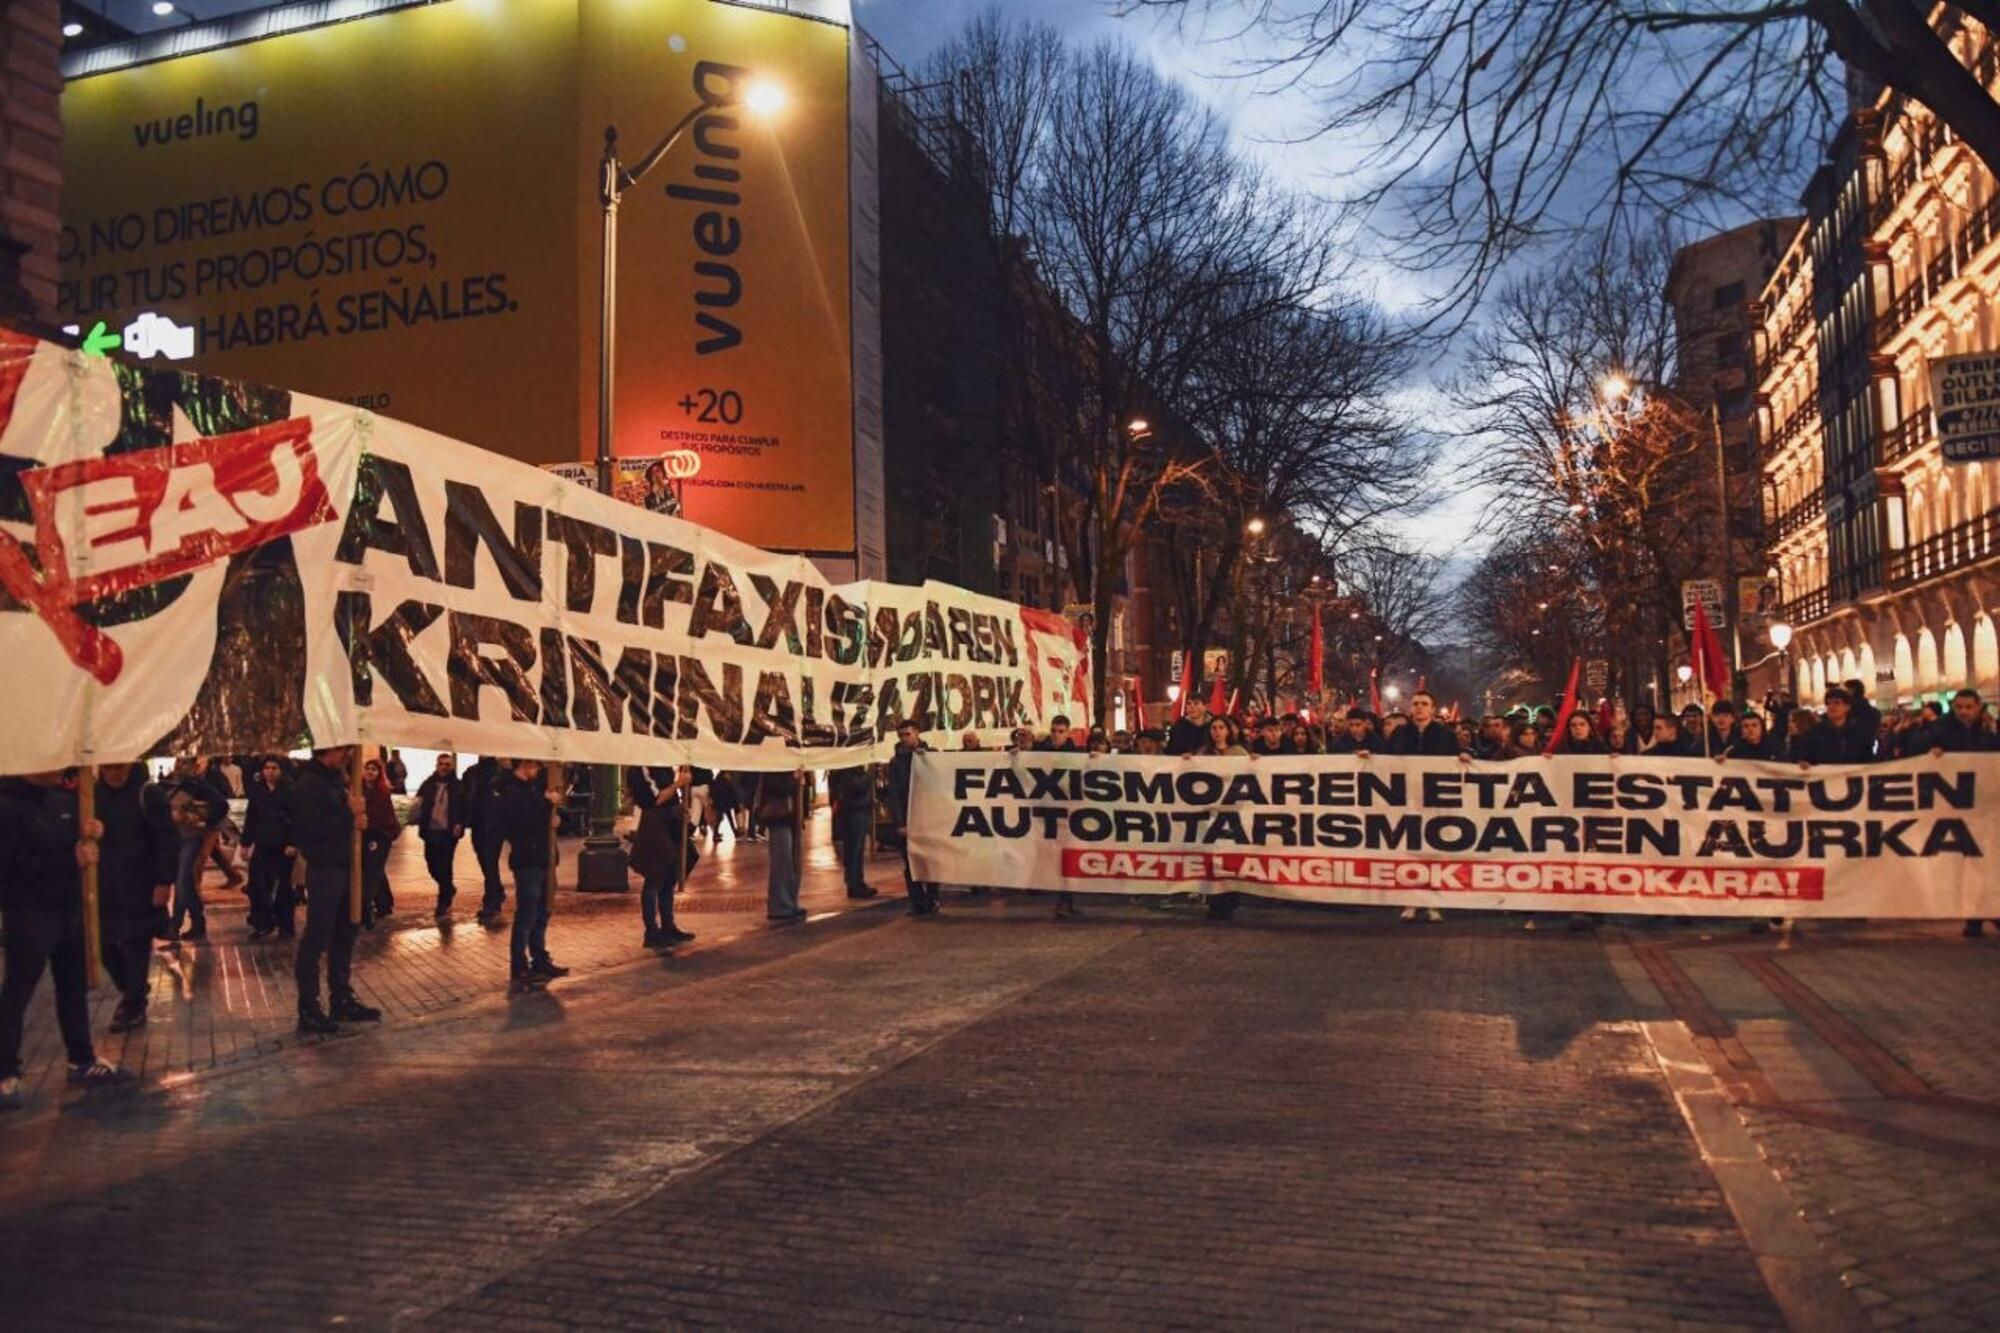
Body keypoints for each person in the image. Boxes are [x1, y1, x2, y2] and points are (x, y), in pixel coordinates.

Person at [0, 770, 131, 1110]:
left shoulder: (63, 800)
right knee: (17, 993)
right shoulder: (8, 806)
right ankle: (4, 1071)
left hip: (69, 912)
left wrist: (93, 835)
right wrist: (68, 859)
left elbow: (81, 845)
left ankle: (81, 1059)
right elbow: (11, 867)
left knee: (72, 988)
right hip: (30, 915)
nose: (60, 768)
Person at [290, 747, 380, 1036]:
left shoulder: (337, 780)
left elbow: (347, 821)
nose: (348, 755)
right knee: (317, 937)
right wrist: (348, 814)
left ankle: (341, 996)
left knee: (346, 932)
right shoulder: (308, 784)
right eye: (343, 750)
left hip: (347, 867)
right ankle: (309, 1008)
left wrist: (358, 821)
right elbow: (310, 831)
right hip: (326, 868)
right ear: (329, 750)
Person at [93, 763, 176, 1032]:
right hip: (106, 886)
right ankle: (132, 989)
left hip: (140, 884)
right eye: (108, 769)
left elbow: (166, 839)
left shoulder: (148, 794)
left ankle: (133, 1002)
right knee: (102, 943)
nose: (115, 775)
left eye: (120, 768)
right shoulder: (92, 795)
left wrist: (164, 881)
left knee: (134, 945)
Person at [1927, 690, 2000, 938]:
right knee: (1969, 866)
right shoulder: (1941, 733)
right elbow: (1915, 750)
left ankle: (1987, 910)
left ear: (1978, 707)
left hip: (1986, 809)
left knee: (1987, 865)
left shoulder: (1989, 738)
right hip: (1957, 810)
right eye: (1959, 707)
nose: (1963, 712)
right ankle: (1976, 915)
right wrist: (1933, 752)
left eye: (1968, 707)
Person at [1384, 691, 1461, 924]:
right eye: (1415, 704)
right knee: (1409, 850)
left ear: (1432, 709)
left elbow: (1456, 758)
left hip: (1434, 800)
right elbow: (1385, 758)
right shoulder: (1400, 734)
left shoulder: (1445, 734)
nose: (1419, 708)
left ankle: (1433, 903)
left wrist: (1464, 758)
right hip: (1406, 799)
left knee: (1434, 851)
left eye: (1424, 704)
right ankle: (1411, 901)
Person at [495, 757, 566, 991]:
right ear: (525, 765)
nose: (538, 771)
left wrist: (552, 813)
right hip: (528, 859)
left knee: (542, 910)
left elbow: (544, 817)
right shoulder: (511, 792)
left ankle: (540, 959)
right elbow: (525, 822)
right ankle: (519, 966)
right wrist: (546, 805)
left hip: (542, 856)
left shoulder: (532, 788)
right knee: (527, 913)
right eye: (535, 766)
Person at [628, 767, 698, 950]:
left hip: (669, 823)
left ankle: (668, 925)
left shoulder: (662, 765)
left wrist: (681, 810)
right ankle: (651, 931)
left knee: (669, 877)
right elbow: (655, 799)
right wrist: (678, 784)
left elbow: (670, 797)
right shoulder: (639, 769)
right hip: (654, 825)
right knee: (654, 878)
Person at [165, 757, 230, 943]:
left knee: (182, 879)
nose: (181, 766)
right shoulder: (169, 783)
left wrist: (201, 819)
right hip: (175, 838)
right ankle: (197, 921)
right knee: (185, 881)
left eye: (186, 763)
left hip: (192, 837)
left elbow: (221, 805)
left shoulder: (199, 784)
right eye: (179, 762)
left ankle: (174, 925)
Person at [240, 756, 296, 940]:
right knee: (256, 885)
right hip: (263, 843)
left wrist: (292, 842)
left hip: (282, 846)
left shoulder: (289, 791)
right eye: (267, 768)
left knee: (283, 888)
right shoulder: (258, 791)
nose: (270, 772)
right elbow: (252, 817)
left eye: (274, 768)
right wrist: (245, 844)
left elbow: (298, 819)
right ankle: (262, 922)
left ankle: (285, 926)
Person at [887, 722, 937, 916]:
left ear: (917, 733)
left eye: (907, 734)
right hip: (908, 817)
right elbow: (894, 794)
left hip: (928, 816)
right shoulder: (897, 762)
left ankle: (932, 897)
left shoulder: (931, 755)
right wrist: (900, 822)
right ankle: (917, 901)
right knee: (910, 863)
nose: (904, 739)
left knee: (931, 860)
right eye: (901, 736)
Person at [412, 753, 466, 919]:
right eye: (441, 764)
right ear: (437, 766)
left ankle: (443, 902)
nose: (444, 767)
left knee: (445, 866)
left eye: (447, 764)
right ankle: (448, 888)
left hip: (448, 832)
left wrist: (460, 823)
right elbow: (418, 802)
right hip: (430, 830)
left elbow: (465, 806)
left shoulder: (458, 786)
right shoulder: (429, 783)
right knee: (431, 864)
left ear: (452, 767)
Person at [460, 755, 508, 923]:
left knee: (490, 862)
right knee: (486, 862)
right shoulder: (471, 773)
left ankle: (491, 903)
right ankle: (498, 892)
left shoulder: (502, 773)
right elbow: (464, 796)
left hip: (496, 826)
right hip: (477, 824)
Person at [754, 768, 806, 924]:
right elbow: (778, 787)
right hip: (780, 817)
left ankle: (790, 901)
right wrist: (794, 779)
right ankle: (780, 905)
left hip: (790, 818)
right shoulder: (774, 765)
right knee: (782, 862)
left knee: (792, 862)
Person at [828, 763, 878, 900]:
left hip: (856, 811)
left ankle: (858, 882)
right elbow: (858, 786)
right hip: (853, 812)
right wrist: (870, 774)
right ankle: (854, 884)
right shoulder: (846, 770)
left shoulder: (846, 770)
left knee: (857, 849)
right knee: (854, 850)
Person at [359, 757, 399, 926]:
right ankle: (385, 903)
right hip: (364, 835)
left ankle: (367, 906)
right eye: (368, 768)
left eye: (374, 769)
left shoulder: (383, 793)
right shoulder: (357, 790)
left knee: (372, 870)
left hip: (380, 835)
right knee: (373, 868)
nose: (370, 772)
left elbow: (382, 817)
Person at [1795, 688, 1878, 766]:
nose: (1832, 706)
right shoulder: (1815, 733)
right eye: (1828, 703)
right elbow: (1807, 756)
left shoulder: (1859, 732)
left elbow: (1867, 758)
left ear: (1847, 707)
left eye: (1837, 703)